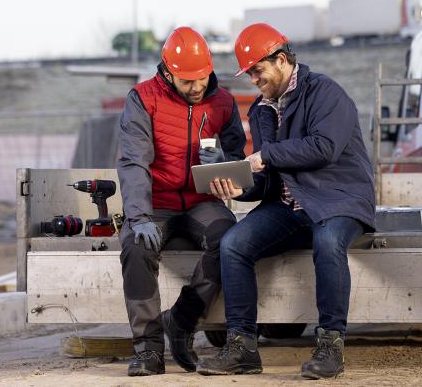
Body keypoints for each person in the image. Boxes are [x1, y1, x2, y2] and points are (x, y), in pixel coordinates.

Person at [195, 23, 376, 379]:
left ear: (281, 60)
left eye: (257, 70)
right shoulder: (261, 110)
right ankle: (242, 347)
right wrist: (240, 188)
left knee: (328, 241)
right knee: (233, 244)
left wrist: (265, 156)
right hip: (289, 207)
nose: (254, 80)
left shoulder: (325, 92)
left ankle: (330, 345)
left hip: (337, 199)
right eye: (249, 74)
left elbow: (324, 147)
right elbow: (268, 177)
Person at [117, 26, 247, 376]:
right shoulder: (143, 99)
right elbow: (133, 162)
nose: (197, 87)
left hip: (201, 202)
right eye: (188, 81)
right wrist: (138, 216)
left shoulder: (223, 102)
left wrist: (224, 160)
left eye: (202, 78)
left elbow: (239, 157)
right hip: (155, 203)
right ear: (167, 73)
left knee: (230, 240)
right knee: (135, 248)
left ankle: (182, 319)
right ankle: (148, 350)